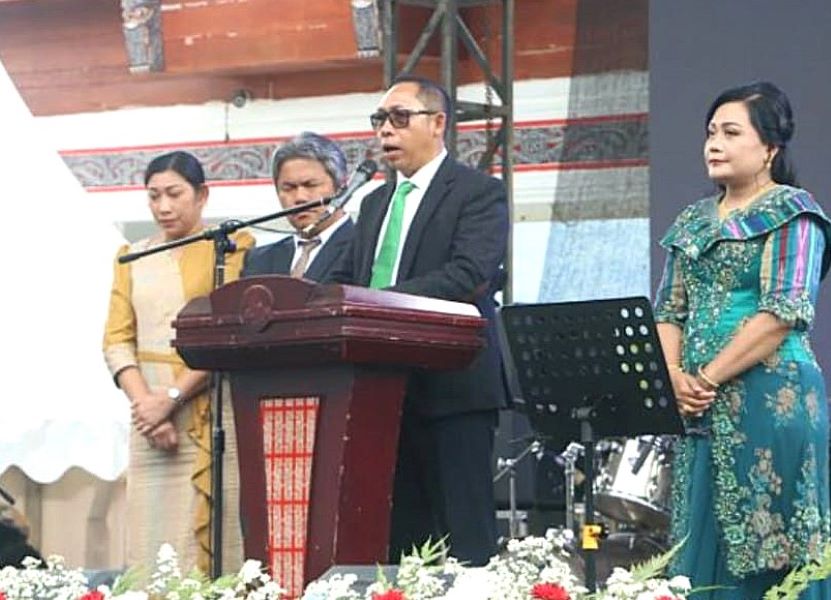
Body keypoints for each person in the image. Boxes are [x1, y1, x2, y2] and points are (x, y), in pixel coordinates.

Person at [654, 82, 831, 598]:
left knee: (773, 546)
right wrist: (673, 376)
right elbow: (669, 310)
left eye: (731, 133)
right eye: (711, 132)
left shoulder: (794, 213)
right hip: (698, 406)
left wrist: (705, 378)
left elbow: (783, 312)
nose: (715, 144)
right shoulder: (692, 221)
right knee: (698, 539)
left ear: (770, 147)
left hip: (771, 400)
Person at [328, 75, 509, 566]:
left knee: (464, 543)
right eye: (379, 120)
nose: (385, 130)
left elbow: (468, 275)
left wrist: (378, 303)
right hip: (382, 393)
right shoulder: (373, 203)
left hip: (452, 390)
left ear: (437, 123)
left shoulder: (477, 192)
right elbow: (347, 277)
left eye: (399, 118)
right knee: (400, 545)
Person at [103, 151, 253, 574]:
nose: (163, 207)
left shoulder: (232, 249)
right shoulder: (130, 256)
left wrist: (171, 398)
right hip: (149, 423)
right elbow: (116, 340)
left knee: (220, 536)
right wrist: (149, 408)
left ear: (202, 195)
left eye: (174, 194)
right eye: (154, 196)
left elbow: (230, 332)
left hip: (211, 410)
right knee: (152, 542)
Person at [242, 132, 354, 279]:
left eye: (310, 185)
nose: (300, 198)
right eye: (289, 188)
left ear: (341, 187)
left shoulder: (364, 248)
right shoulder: (259, 260)